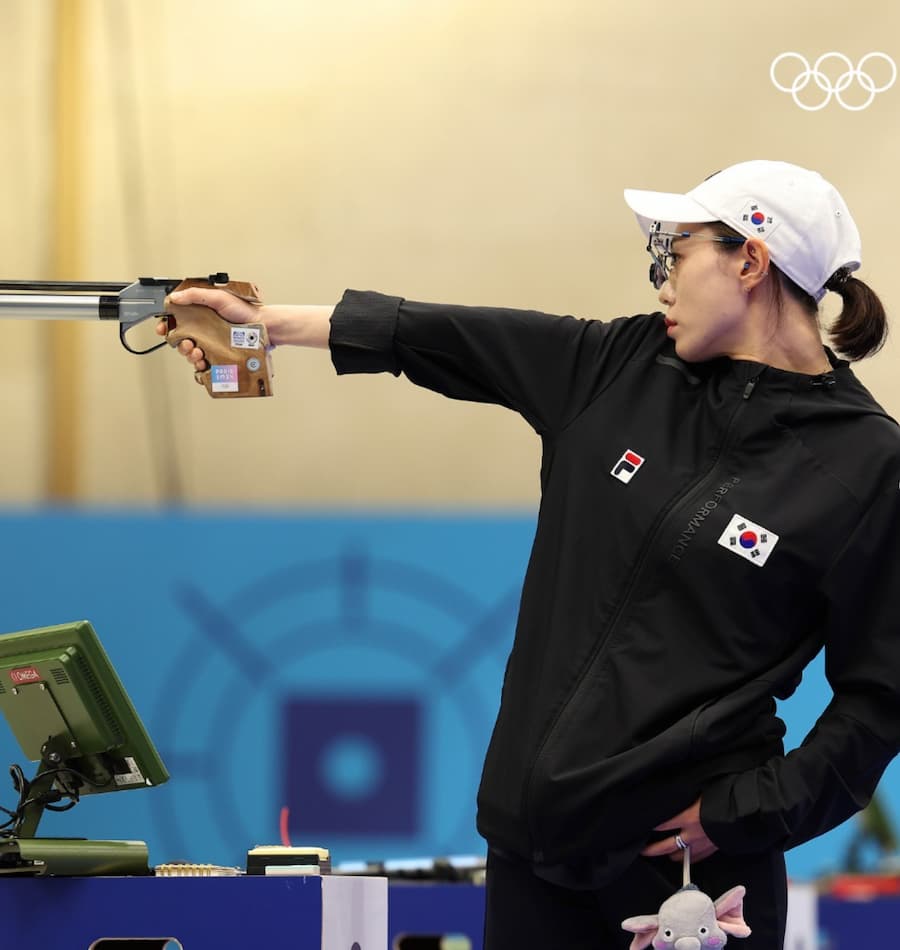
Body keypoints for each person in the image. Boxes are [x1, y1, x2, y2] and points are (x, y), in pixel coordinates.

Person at [160, 160, 900, 948]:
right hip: (528, 858)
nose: (662, 284)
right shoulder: (619, 367)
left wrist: (745, 814)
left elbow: (879, 699)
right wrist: (259, 326)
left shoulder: (865, 465)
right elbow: (438, 334)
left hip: (688, 882)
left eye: (675, 256)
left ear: (749, 260)